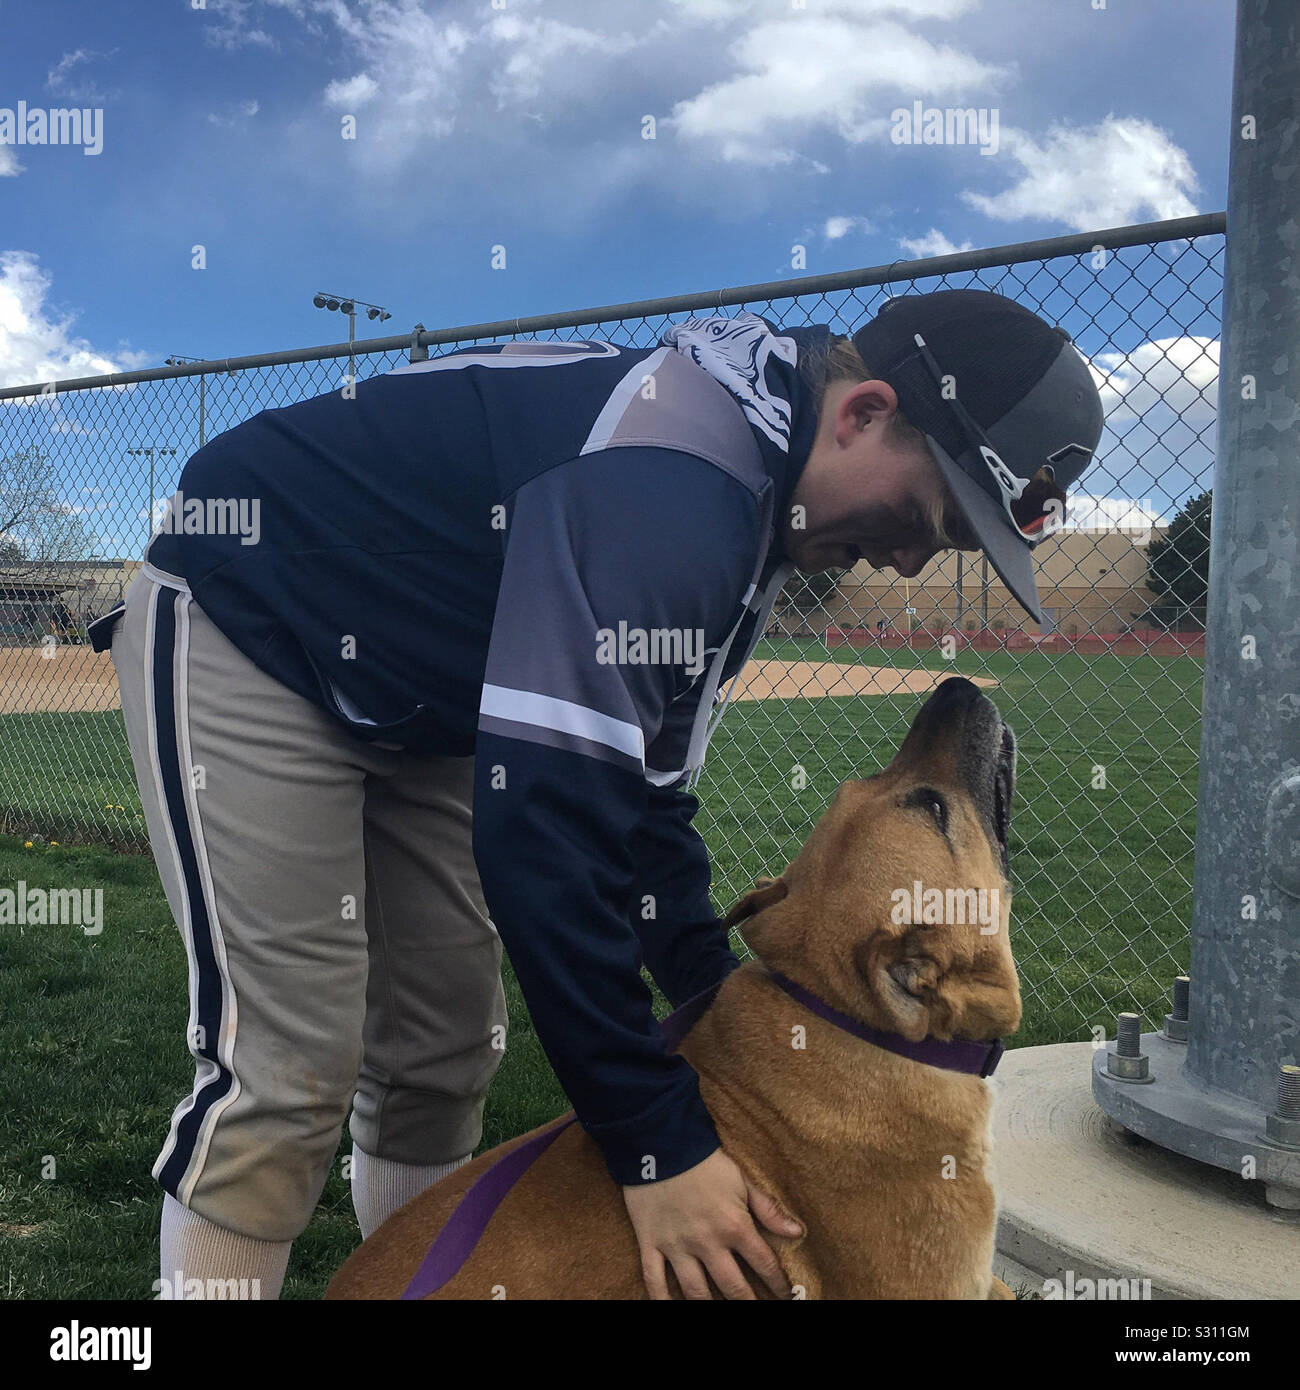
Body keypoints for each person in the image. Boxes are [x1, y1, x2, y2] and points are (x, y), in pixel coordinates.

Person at [89, 288, 1103, 1300]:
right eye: (932, 514)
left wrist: (714, 1001)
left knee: (443, 1052)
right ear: (863, 413)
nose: (912, 556)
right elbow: (545, 839)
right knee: (288, 1065)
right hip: (253, 621)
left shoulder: (752, 499)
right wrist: (652, 1143)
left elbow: (646, 809)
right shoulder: (675, 487)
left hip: (424, 699)